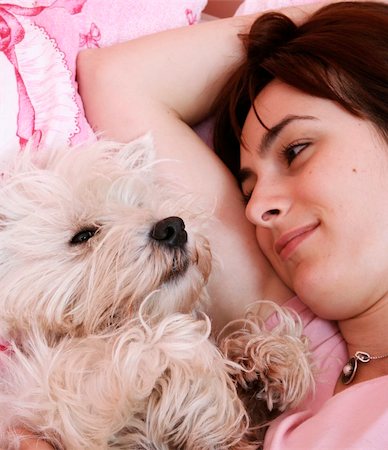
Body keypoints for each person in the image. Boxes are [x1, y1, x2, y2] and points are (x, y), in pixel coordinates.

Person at [76, 1, 388, 448]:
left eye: (296, 151)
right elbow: (115, 81)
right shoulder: (297, 355)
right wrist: (321, 23)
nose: (257, 208)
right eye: (247, 189)